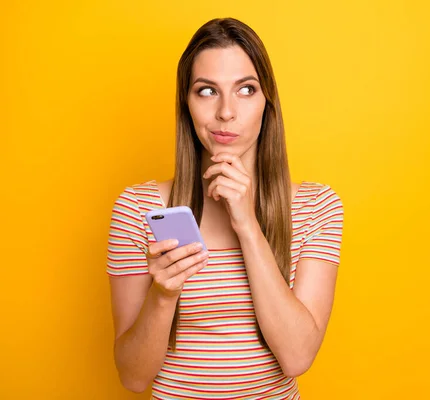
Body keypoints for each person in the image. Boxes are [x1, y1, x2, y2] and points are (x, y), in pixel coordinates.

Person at [106, 17, 344, 399]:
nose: (226, 112)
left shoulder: (316, 207)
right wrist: (164, 295)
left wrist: (248, 225)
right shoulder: (139, 208)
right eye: (206, 91)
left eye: (246, 90)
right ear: (186, 103)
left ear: (268, 100)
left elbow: (298, 356)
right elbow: (133, 377)